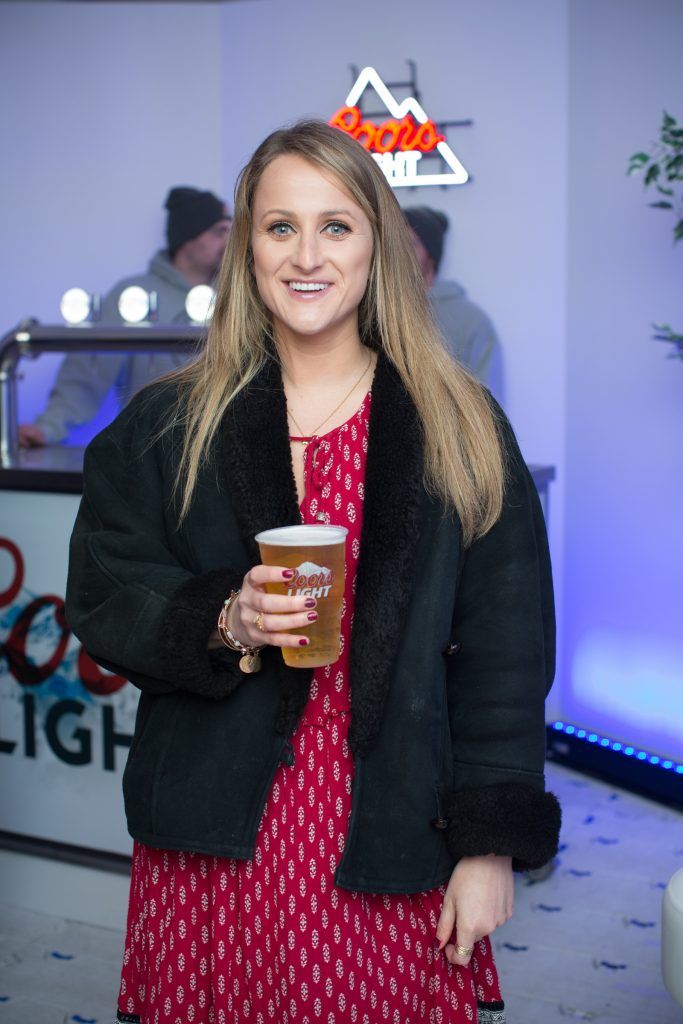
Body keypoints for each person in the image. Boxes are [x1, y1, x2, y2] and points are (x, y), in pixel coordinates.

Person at [66, 120, 560, 1024]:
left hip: (395, 821)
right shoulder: (169, 424)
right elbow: (103, 589)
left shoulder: (460, 425)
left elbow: (505, 655)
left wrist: (489, 845)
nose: (306, 254)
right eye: (278, 226)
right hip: (216, 831)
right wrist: (224, 620)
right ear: (245, 247)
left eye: (335, 226)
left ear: (378, 244)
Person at [18, 186, 231, 447]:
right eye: (220, 232)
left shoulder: (236, 297)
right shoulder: (133, 296)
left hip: (224, 454)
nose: (230, 240)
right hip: (152, 455)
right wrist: (46, 428)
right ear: (189, 239)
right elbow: (88, 372)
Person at [403, 205, 504, 402]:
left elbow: (489, 406)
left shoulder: (471, 321)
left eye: (410, 243)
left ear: (431, 255)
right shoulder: (377, 312)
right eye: (396, 243)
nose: (400, 252)